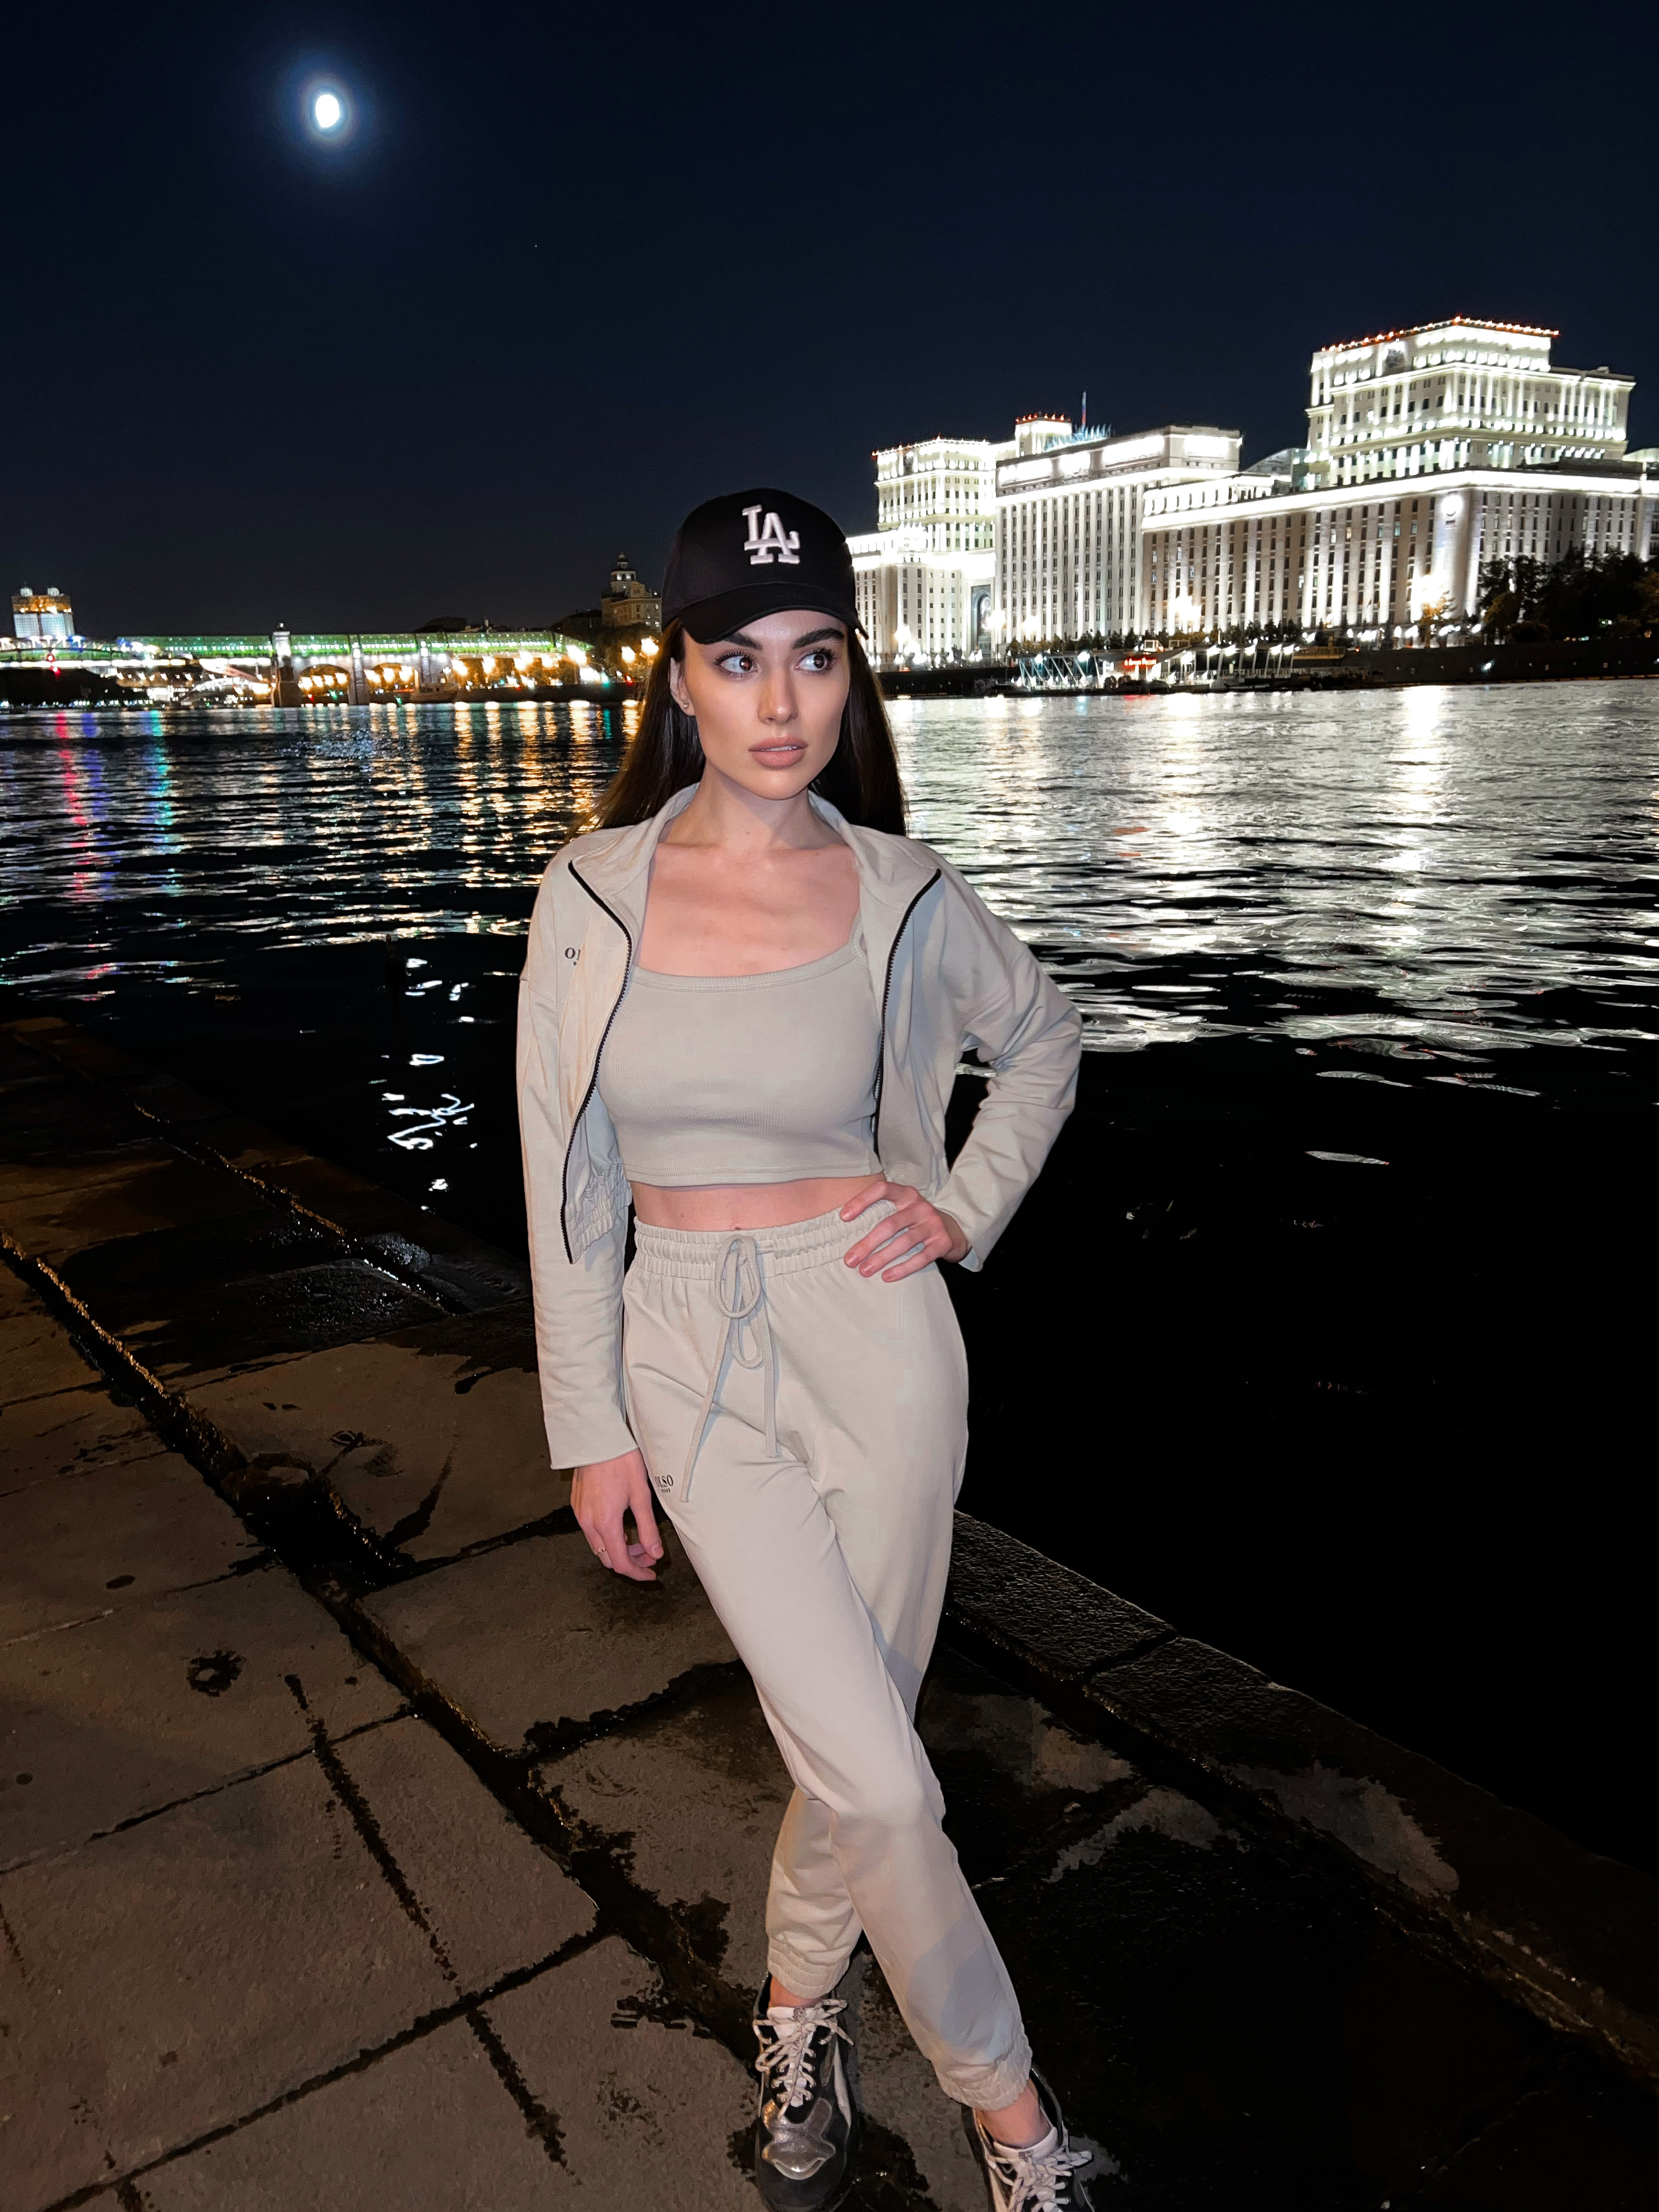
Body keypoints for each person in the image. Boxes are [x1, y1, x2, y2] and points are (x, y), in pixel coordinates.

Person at [517, 488, 1093, 2210]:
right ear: (677, 676)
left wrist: (962, 1207)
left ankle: (794, 2005)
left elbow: (1044, 1040)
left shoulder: (905, 892)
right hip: (686, 1354)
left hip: (878, 1335)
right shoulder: (590, 893)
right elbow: (567, 1177)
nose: (781, 701)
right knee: (884, 1783)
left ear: (854, 674)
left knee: (862, 1749)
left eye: (817, 657)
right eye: (739, 658)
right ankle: (1016, 2118)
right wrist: (589, 1424)